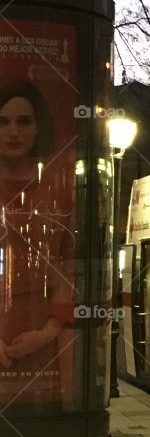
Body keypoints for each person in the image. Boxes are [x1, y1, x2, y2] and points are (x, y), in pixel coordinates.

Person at [0, 80, 73, 406]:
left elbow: (68, 263)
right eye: (2, 121)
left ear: (38, 126)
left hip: (40, 330)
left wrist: (47, 332)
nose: (13, 131)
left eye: (24, 121)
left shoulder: (57, 190)